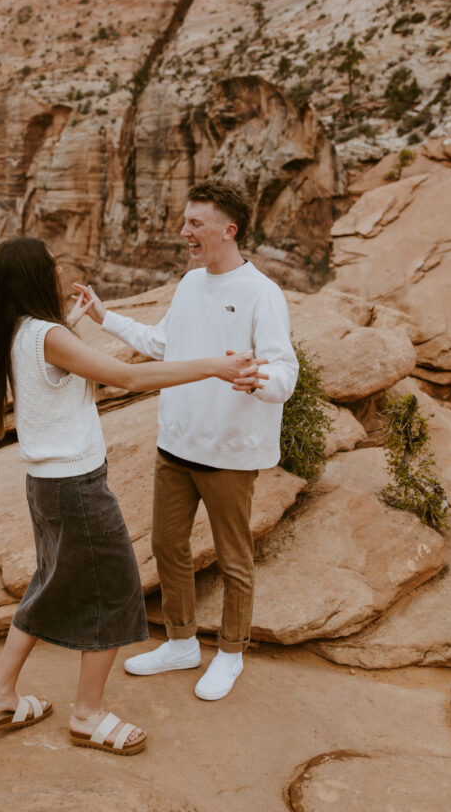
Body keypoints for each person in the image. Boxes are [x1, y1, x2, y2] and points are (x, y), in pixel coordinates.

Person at [0, 235, 263, 755]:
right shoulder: (48, 335)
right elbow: (128, 377)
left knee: (47, 584)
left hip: (44, 485)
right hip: (77, 488)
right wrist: (214, 367)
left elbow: (64, 368)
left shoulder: (20, 331)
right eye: (53, 266)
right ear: (34, 279)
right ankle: (87, 716)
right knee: (113, 594)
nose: (61, 271)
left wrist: (81, 322)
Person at [73, 178, 298, 702]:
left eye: (195, 223)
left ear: (228, 229)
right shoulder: (191, 284)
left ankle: (231, 654)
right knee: (167, 545)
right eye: (186, 222)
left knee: (232, 557)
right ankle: (180, 643)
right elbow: (162, 343)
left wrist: (259, 380)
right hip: (176, 445)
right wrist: (105, 318)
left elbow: (285, 369)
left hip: (229, 452)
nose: (185, 232)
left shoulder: (262, 293)